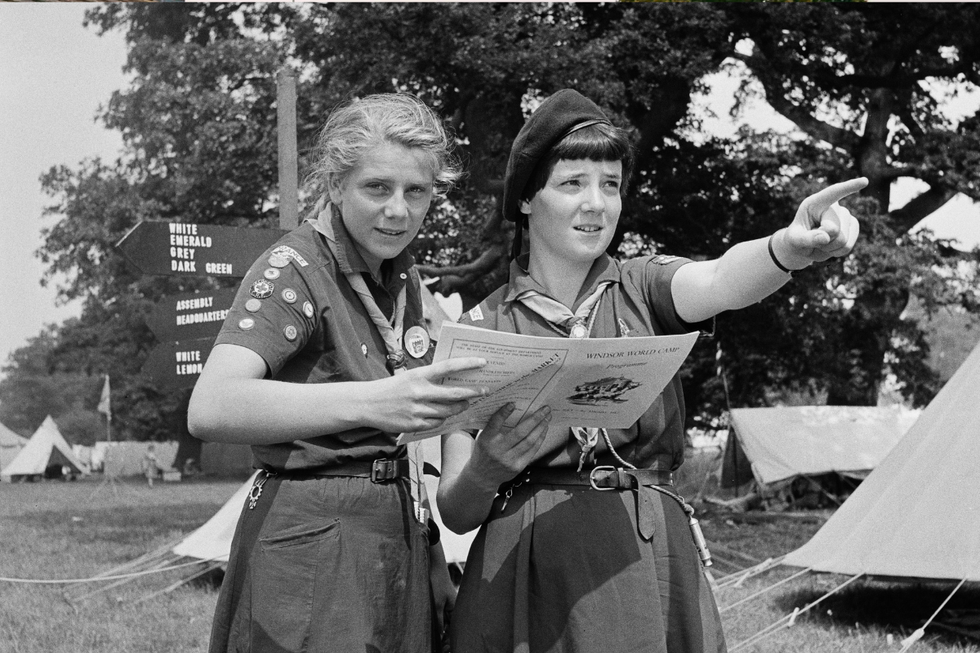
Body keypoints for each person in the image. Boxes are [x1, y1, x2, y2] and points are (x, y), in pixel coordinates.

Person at [437, 89, 865, 653]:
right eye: (572, 184)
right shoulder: (477, 328)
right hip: (527, 575)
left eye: (610, 185)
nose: (597, 203)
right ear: (525, 200)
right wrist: (487, 468)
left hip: (643, 557)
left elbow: (721, 280)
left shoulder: (645, 285)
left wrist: (786, 247)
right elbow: (456, 510)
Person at [188, 93, 488, 653]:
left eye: (416, 192)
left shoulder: (402, 279)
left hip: (395, 533)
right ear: (334, 185)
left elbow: (395, 447)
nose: (398, 211)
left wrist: (429, 559)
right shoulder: (294, 266)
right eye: (378, 187)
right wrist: (372, 401)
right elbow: (212, 405)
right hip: (311, 539)